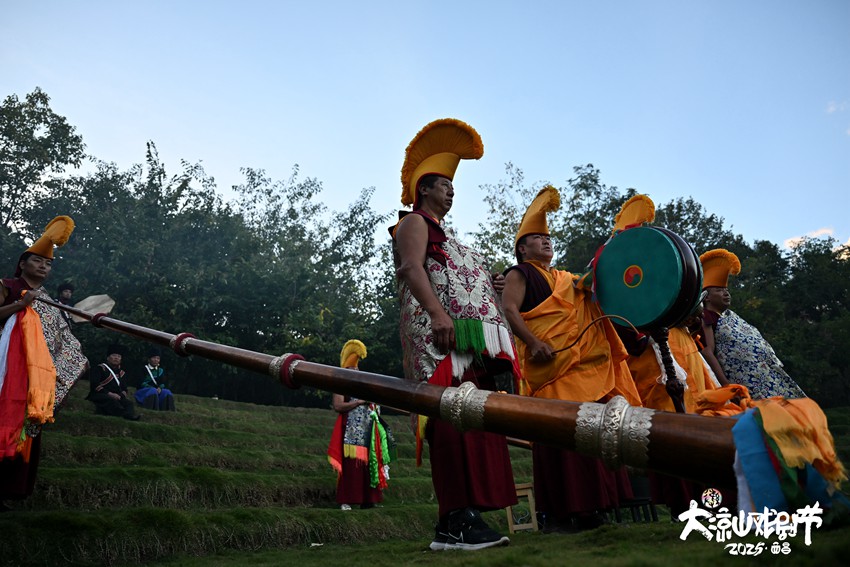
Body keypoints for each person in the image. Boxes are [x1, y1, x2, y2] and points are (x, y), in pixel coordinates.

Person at [390, 118, 521, 550]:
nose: (451, 190)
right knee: (447, 421)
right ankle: (451, 522)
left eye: (452, 185)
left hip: (468, 348)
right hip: (439, 339)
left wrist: (489, 285)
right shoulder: (413, 223)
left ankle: (468, 517)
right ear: (425, 188)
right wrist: (439, 314)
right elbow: (411, 268)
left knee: (473, 421)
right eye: (444, 184)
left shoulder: (454, 241)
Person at [501, 186, 642, 531]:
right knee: (560, 442)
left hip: (580, 369)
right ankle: (561, 513)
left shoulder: (566, 279)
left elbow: (595, 296)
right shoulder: (520, 274)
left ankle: (594, 507)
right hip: (549, 369)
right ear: (522, 248)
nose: (546, 242)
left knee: (590, 435)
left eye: (548, 238)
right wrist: (533, 342)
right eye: (537, 238)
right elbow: (509, 310)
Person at [0, 216, 88, 508]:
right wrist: (19, 305)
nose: (44, 267)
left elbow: (60, 339)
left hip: (35, 377)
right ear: (23, 263)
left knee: (27, 425)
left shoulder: (49, 300)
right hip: (6, 371)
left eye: (48, 264)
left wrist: (76, 359)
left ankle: (11, 491)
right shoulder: (8, 286)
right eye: (37, 261)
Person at [699, 249, 806, 400]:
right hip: (742, 381)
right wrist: (725, 385)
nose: (726, 293)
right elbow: (707, 351)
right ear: (707, 298)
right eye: (719, 290)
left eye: (727, 290)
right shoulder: (707, 317)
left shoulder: (731, 317)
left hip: (765, 373)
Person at [327, 340, 391, 510]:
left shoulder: (363, 383)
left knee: (370, 462)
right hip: (350, 430)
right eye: (351, 369)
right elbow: (338, 406)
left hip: (367, 429)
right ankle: (346, 500)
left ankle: (368, 500)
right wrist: (358, 403)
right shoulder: (340, 383)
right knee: (351, 464)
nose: (355, 371)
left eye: (356, 368)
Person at [87, 344, 140, 420]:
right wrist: (110, 394)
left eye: (119, 356)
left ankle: (130, 416)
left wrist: (120, 396)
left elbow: (124, 389)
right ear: (108, 358)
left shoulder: (122, 373)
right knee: (110, 400)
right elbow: (95, 385)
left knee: (128, 403)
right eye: (114, 355)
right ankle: (123, 415)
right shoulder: (100, 368)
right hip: (100, 394)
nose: (116, 358)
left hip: (117, 396)